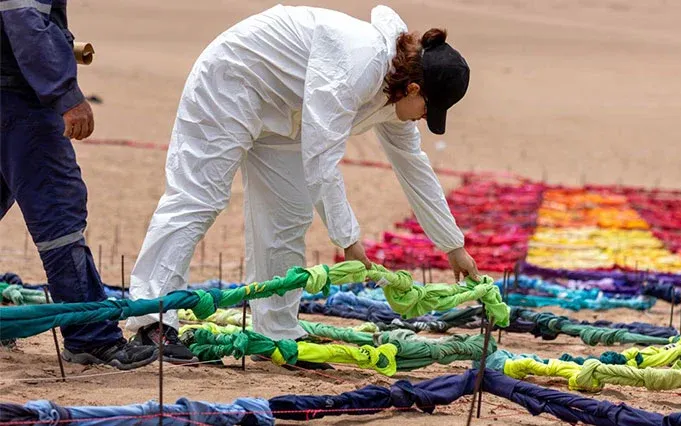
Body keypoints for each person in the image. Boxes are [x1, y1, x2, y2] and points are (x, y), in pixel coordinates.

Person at [126, 4, 481, 366]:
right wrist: (349, 240)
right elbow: (322, 157)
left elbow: (413, 167)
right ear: (414, 88)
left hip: (287, 113)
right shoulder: (359, 63)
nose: (422, 119)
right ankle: (152, 320)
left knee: (289, 215)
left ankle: (276, 332)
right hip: (233, 80)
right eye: (427, 110)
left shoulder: (396, 94)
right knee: (200, 198)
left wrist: (453, 246)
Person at [0, 0, 158, 369]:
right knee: (59, 218)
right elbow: (24, 21)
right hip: (19, 100)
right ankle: (91, 336)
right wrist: (65, 94)